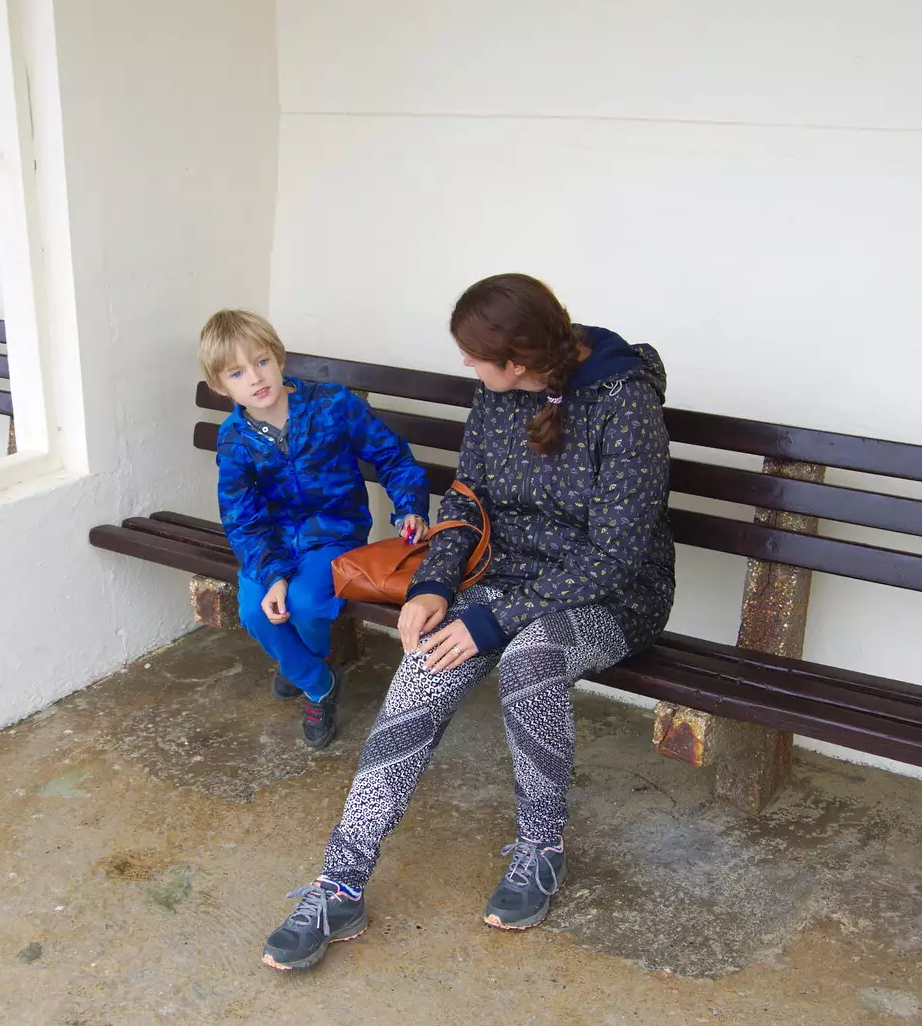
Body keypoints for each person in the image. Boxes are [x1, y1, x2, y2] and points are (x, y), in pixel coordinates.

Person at [261, 274, 677, 971]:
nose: (466, 365)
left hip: (611, 599)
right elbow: (466, 498)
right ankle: (340, 883)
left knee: (530, 662)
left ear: (519, 357)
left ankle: (541, 848)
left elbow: (619, 553)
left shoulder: (623, 404)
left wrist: (495, 619)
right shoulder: (496, 395)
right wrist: (432, 585)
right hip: (502, 581)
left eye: (474, 354)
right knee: (425, 663)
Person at [201, 309, 429, 748]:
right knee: (255, 611)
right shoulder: (233, 438)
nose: (256, 378)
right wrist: (270, 575)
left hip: (333, 533)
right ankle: (318, 681)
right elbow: (241, 516)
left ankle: (298, 668)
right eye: (237, 372)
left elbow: (392, 457)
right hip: (269, 543)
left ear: (279, 358)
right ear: (220, 385)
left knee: (305, 605)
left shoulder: (333, 404)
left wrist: (409, 508)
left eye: (262, 361)